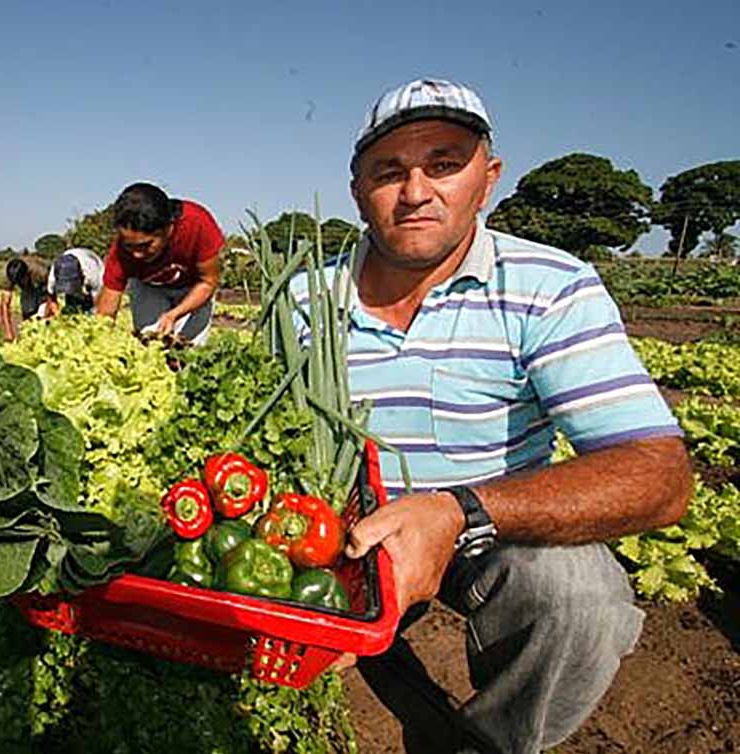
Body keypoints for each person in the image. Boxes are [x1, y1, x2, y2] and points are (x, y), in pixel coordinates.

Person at [305, 79, 692, 754]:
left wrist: (456, 511)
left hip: (486, 531)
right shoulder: (304, 298)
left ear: (488, 178)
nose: (417, 191)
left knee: (580, 599)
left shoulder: (550, 286)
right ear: (357, 190)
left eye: (445, 164)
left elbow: (659, 474)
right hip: (335, 533)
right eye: (389, 172)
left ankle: (489, 742)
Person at [95, 182, 224, 346]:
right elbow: (108, 304)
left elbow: (207, 282)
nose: (136, 254)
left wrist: (174, 314)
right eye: (129, 245)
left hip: (194, 288)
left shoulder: (197, 224)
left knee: (189, 351)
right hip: (149, 288)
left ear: (168, 228)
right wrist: (100, 340)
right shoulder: (120, 251)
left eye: (145, 245)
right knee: (150, 343)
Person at [0, 255, 49, 342]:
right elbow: (5, 305)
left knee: (43, 316)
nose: (20, 283)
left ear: (27, 274)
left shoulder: (41, 272)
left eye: (22, 280)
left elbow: (51, 295)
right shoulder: (8, 276)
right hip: (28, 290)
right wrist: (8, 331)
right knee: (28, 311)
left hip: (43, 288)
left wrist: (45, 311)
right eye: (17, 282)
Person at [46, 247, 104, 316]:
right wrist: (58, 315)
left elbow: (98, 300)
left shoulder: (92, 273)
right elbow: (51, 298)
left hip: (94, 264)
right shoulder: (53, 276)